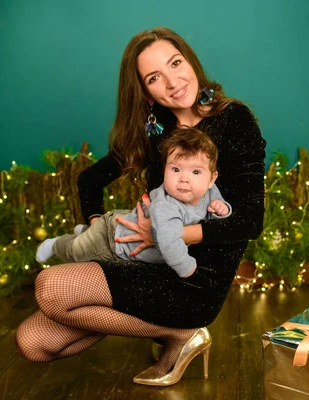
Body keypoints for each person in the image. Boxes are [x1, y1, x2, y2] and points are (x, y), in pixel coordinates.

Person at [15, 26, 266, 387]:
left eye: (176, 63)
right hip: (144, 261)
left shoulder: (234, 119)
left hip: (195, 278)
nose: (173, 81)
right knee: (32, 343)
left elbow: (250, 222)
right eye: (154, 77)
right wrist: (97, 223)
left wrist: (170, 233)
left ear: (190, 62)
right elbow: (89, 180)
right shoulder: (155, 131)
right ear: (146, 93)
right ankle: (170, 332)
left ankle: (183, 332)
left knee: (51, 288)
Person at [35, 127, 232, 279]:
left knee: (86, 238)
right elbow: (170, 243)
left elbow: (217, 204)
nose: (184, 179)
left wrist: (221, 209)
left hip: (121, 226)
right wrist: (187, 268)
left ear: (211, 178)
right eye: (176, 170)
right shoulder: (166, 205)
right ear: (164, 170)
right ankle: (56, 244)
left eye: (195, 172)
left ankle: (85, 231)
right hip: (112, 241)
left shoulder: (210, 191)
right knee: (77, 252)